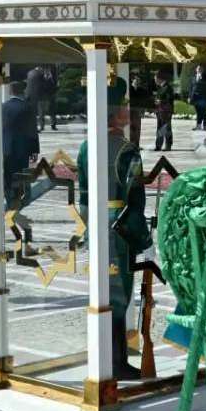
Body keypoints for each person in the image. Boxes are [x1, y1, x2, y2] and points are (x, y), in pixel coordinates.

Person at [78, 79, 153, 380]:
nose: (127, 110)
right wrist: (144, 238)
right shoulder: (127, 149)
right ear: (114, 113)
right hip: (120, 226)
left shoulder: (86, 145)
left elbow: (83, 195)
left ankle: (107, 357)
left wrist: (90, 227)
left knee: (103, 290)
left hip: (98, 221)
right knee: (120, 292)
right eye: (122, 106)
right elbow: (136, 199)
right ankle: (117, 362)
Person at [2, 80, 39, 207]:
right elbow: (32, 131)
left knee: (8, 173)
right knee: (21, 173)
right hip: (23, 148)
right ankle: (20, 197)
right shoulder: (27, 107)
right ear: (22, 91)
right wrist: (35, 150)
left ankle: (9, 198)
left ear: (11, 91)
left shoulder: (3, 107)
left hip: (5, 147)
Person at [128, 72, 154, 148]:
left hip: (137, 111)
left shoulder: (142, 90)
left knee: (137, 129)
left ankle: (136, 144)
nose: (137, 82)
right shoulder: (129, 89)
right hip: (129, 111)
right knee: (130, 128)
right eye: (135, 80)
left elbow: (145, 100)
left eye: (138, 81)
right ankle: (131, 144)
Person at [154, 72, 175, 152]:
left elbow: (169, 99)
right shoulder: (161, 87)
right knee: (160, 128)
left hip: (166, 111)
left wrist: (160, 101)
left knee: (166, 128)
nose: (155, 80)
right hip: (160, 111)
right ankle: (158, 145)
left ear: (159, 79)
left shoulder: (168, 87)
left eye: (155, 79)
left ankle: (168, 145)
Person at [189, 64, 206, 131]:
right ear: (196, 69)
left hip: (202, 97)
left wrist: (201, 77)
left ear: (202, 70)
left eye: (201, 69)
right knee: (198, 112)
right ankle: (198, 126)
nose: (199, 70)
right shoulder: (193, 77)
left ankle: (204, 126)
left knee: (204, 112)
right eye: (198, 68)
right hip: (195, 97)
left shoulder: (205, 77)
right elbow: (191, 88)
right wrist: (189, 97)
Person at [24, 67, 45, 131]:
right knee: (41, 112)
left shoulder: (29, 73)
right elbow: (42, 85)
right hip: (38, 96)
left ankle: (31, 127)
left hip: (29, 95)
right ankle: (41, 126)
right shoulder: (39, 75)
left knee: (32, 113)